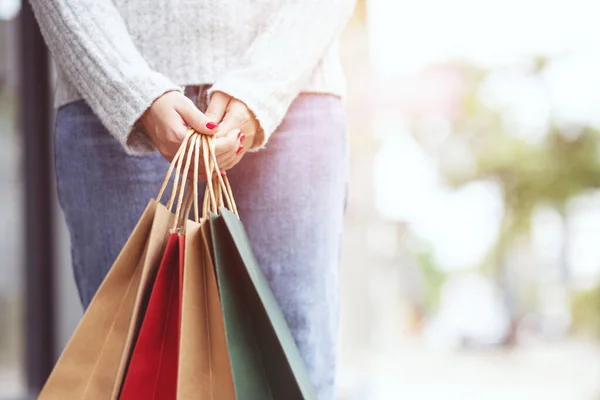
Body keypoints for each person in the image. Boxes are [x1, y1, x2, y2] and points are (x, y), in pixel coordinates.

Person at [30, 0, 355, 397]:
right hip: (112, 97)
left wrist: (266, 85)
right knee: (128, 375)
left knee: (294, 368)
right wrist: (130, 89)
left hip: (293, 89)